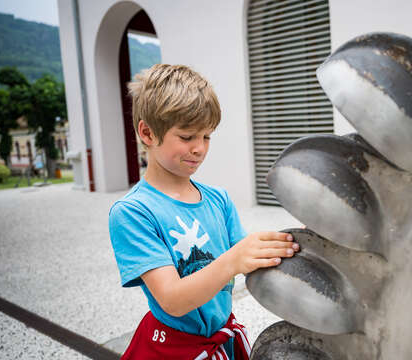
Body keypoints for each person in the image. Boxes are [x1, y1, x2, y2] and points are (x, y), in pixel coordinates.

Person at [108, 64, 299, 359]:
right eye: (187, 137)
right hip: (171, 347)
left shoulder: (218, 200)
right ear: (147, 132)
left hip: (221, 338)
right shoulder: (134, 212)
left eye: (207, 136)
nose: (199, 148)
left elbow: (249, 261)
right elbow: (172, 299)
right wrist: (233, 260)